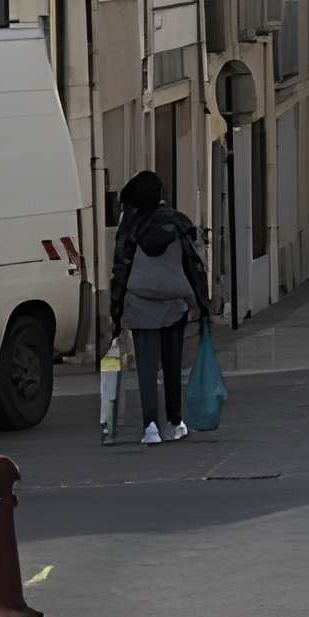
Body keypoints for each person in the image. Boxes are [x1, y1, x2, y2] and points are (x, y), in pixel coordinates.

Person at [109, 170, 211, 446]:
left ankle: (150, 427)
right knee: (172, 366)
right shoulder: (177, 224)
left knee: (146, 370)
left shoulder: (129, 230)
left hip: (140, 308)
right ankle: (176, 422)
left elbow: (120, 271)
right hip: (173, 306)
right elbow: (193, 265)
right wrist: (200, 302)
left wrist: (115, 311)